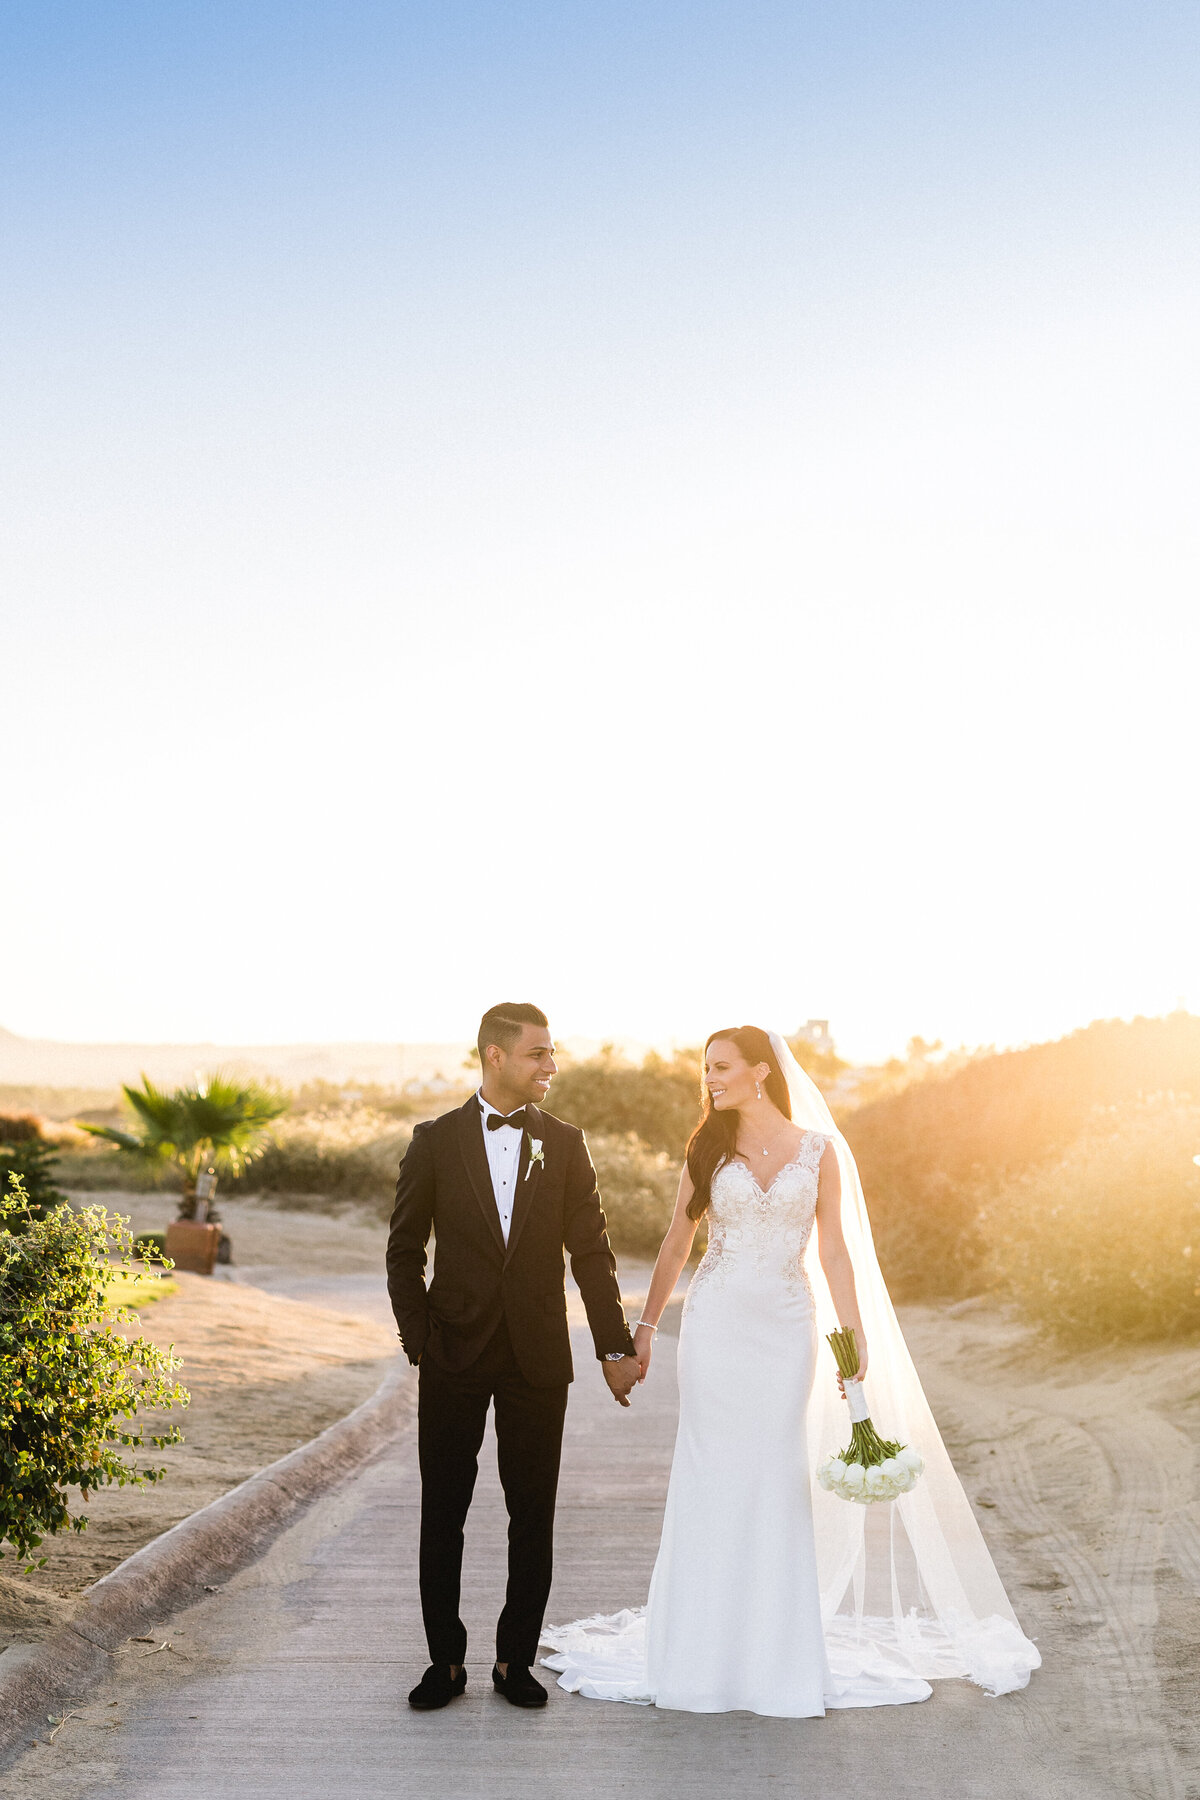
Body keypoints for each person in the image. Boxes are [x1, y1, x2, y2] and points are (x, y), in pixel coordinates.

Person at [541, 1025, 1041, 1717]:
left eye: (721, 1066)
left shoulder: (820, 1151)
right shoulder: (706, 1148)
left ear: (761, 1071)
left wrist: (852, 1329)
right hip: (714, 1331)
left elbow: (834, 1250)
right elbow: (677, 1243)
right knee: (713, 1477)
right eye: (706, 1068)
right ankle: (699, 1657)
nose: (710, 1078)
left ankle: (776, 1660)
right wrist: (646, 1330)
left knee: (776, 1479)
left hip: (785, 1331)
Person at [387, 1002, 641, 1712]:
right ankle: (445, 1663)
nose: (550, 1067)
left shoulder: (564, 1143)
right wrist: (421, 1343)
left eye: (551, 1054)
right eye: (538, 1054)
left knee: (533, 1513)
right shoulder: (433, 1141)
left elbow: (591, 1252)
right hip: (452, 1356)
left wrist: (612, 1345)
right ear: (495, 1056)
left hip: (537, 1359)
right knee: (445, 1511)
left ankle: (513, 1662)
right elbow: (404, 1252)